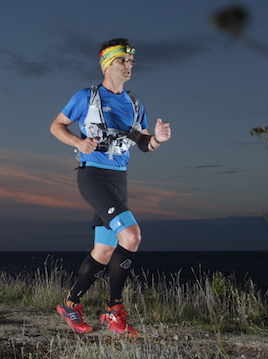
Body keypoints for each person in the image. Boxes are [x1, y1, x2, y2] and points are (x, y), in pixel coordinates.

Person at [49, 38, 172, 336]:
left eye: (131, 61)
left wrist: (158, 139)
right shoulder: (86, 97)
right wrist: (79, 142)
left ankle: (70, 303)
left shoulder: (134, 102)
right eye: (122, 61)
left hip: (119, 180)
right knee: (131, 235)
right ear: (107, 64)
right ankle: (112, 309)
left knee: (104, 251)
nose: (129, 66)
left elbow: (143, 144)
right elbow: (56, 126)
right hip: (93, 176)